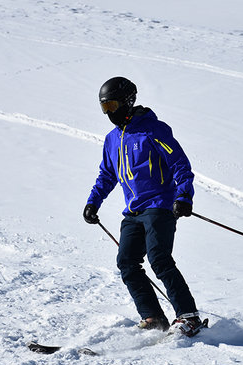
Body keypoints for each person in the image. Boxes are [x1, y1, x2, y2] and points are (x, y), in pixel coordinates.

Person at [83, 76, 203, 337]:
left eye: (112, 106)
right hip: (133, 211)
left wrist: (184, 197)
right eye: (104, 108)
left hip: (159, 206)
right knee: (126, 263)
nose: (109, 113)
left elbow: (179, 164)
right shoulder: (112, 139)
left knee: (159, 258)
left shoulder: (153, 130)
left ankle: (188, 316)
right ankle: (153, 317)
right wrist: (93, 202)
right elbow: (107, 174)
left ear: (128, 101)